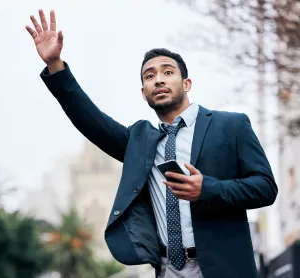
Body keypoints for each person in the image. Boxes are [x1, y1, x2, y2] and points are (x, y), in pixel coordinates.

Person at [26, 9, 278, 278]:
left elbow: (265, 187)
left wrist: (208, 189)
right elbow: (89, 118)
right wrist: (56, 66)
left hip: (223, 268)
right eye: (149, 76)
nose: (158, 79)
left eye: (167, 72)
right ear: (143, 92)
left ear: (186, 83)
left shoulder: (231, 125)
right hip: (169, 268)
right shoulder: (141, 142)